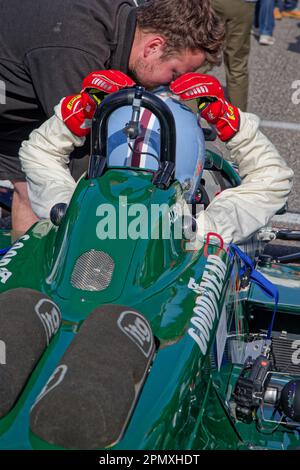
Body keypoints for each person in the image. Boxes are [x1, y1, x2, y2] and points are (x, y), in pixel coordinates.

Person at [0, 0, 224, 234]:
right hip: (10, 98)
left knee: (31, 190)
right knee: (63, 195)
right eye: (174, 73)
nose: (172, 84)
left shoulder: (125, 20)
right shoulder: (78, 48)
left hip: (24, 95)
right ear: (153, 47)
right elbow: (82, 155)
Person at [19, 72, 293, 245]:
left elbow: (38, 153)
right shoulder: (198, 232)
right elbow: (274, 180)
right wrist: (230, 122)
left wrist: (80, 110)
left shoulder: (71, 214)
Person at [209, 0, 257, 112]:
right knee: (237, 65)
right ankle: (237, 121)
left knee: (200, 58)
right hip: (242, 4)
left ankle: (186, 120)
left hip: (213, 3)